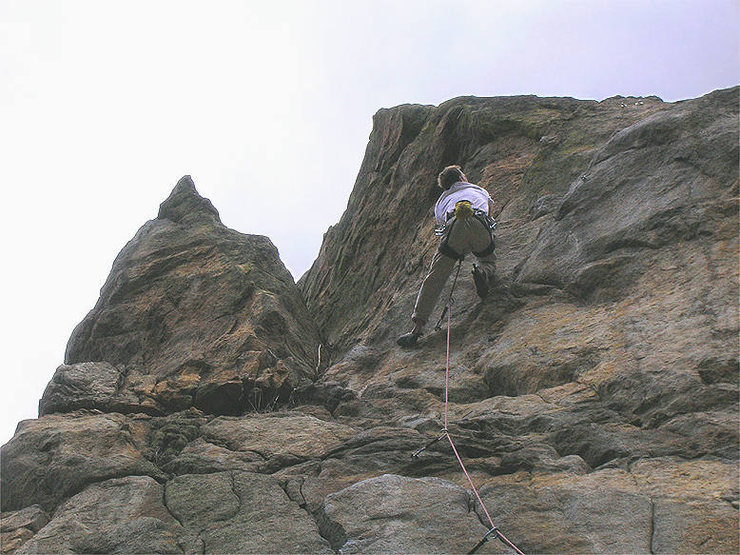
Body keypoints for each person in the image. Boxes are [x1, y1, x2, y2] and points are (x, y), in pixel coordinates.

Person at [397, 165, 497, 348]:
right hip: (479, 222)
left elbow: (442, 224)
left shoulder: (442, 201)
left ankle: (417, 329)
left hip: (454, 225)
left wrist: (455, 250)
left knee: (435, 276)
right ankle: (482, 272)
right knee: (487, 258)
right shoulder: (478, 189)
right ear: (460, 178)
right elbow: (491, 212)